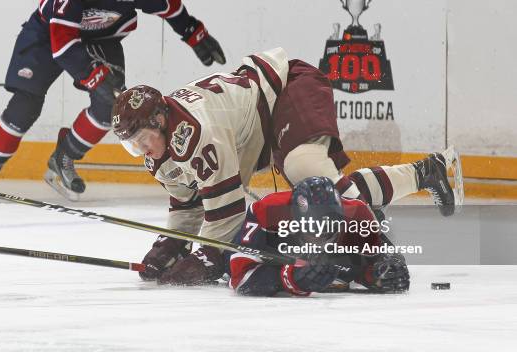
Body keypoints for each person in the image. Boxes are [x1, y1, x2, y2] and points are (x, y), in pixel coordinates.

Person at [110, 47, 458, 285]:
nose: (141, 150)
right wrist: (171, 244)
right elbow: (189, 203)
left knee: (311, 175)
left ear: (160, 119)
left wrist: (207, 256)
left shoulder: (196, 132)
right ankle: (427, 172)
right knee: (327, 192)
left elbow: (227, 211)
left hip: (289, 86)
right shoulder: (160, 149)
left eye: (141, 138)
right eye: (131, 144)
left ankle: (406, 197)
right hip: (258, 123)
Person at [0, 0, 226, 201]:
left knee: (110, 108)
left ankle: (63, 156)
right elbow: (63, 46)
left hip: (103, 39)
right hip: (49, 35)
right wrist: (93, 76)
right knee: (25, 106)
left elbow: (169, 7)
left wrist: (195, 35)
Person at [229, 176, 410, 297]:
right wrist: (291, 278)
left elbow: (371, 265)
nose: (320, 238)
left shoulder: (357, 214)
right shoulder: (266, 211)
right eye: (313, 229)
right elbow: (240, 279)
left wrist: (381, 274)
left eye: (329, 229)